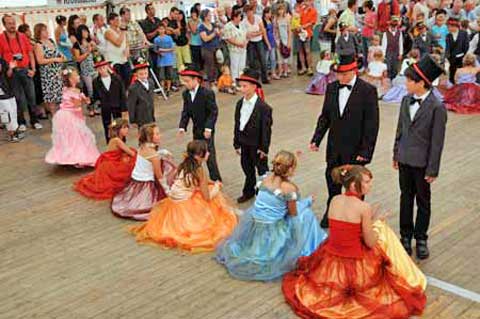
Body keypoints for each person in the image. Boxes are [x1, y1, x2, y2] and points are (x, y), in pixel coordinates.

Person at [283, 165, 427, 318]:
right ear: (353, 184)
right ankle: (407, 271)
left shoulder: (335, 200)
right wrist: (376, 224)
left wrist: (369, 221)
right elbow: (370, 242)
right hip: (354, 261)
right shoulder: (363, 207)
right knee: (384, 232)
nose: (369, 185)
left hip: (331, 256)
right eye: (366, 182)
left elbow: (344, 230)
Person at [217, 150, 327, 281]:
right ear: (290, 169)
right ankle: (310, 246)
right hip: (273, 230)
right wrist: (307, 201)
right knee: (306, 215)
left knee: (300, 209)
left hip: (256, 223)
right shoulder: (289, 188)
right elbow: (293, 213)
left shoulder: (265, 179)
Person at [309, 54, 379, 228]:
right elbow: (325, 116)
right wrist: (316, 139)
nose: (339, 77)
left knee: (355, 185)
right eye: (337, 74)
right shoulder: (332, 88)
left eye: (343, 74)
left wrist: (366, 151)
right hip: (335, 147)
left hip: (356, 148)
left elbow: (372, 124)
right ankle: (332, 210)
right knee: (332, 179)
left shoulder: (367, 91)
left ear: (354, 71)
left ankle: (356, 217)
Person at [129, 140, 237, 252]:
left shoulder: (187, 163)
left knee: (207, 188)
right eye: (207, 151)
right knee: (212, 195)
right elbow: (207, 197)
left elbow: (202, 180)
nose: (209, 153)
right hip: (185, 202)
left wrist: (211, 182)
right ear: (200, 155)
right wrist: (217, 187)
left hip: (174, 197)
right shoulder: (199, 170)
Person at [393, 54, 447, 259]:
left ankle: (421, 238)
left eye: (408, 80)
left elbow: (437, 141)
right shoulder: (406, 100)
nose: (405, 83)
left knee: (423, 201)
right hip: (405, 159)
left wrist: (433, 169)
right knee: (405, 198)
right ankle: (405, 236)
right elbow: (400, 129)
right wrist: (396, 153)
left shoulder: (437, 107)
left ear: (420, 83)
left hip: (423, 163)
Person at [112, 123, 175, 220]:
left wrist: (162, 152)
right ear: (150, 137)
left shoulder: (142, 146)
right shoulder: (154, 155)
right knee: (169, 167)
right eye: (157, 134)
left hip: (135, 180)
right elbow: (159, 176)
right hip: (146, 184)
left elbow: (147, 157)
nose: (160, 135)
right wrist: (167, 191)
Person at [45, 68, 100, 167]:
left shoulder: (66, 89)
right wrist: (84, 100)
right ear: (71, 79)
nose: (79, 77)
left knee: (69, 137)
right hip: (71, 116)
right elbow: (77, 106)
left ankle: (69, 156)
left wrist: (82, 98)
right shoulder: (75, 91)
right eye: (77, 76)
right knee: (76, 137)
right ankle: (77, 157)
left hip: (63, 115)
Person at [234, 68, 273, 203]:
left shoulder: (264, 108)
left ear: (254, 87)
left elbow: (266, 130)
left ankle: (267, 194)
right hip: (244, 142)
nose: (242, 89)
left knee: (262, 170)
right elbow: (237, 124)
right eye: (241, 86)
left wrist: (264, 148)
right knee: (247, 167)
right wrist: (236, 143)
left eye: (245, 86)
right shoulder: (240, 103)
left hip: (257, 145)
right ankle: (249, 190)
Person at [177, 65, 222, 182]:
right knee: (195, 154)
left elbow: (213, 112)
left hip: (207, 130)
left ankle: (216, 179)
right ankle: (196, 177)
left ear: (196, 80)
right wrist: (182, 126)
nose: (185, 84)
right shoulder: (186, 94)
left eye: (187, 81)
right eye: (183, 81)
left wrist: (209, 128)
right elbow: (186, 111)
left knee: (209, 156)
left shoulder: (207, 93)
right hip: (196, 129)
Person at [74, 119, 136, 200]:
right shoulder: (117, 140)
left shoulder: (116, 139)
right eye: (124, 128)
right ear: (118, 129)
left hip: (109, 163)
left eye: (127, 127)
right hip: (112, 165)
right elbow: (131, 153)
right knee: (133, 161)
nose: (127, 130)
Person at [0, 15, 41, 131]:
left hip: (25, 70)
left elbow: (30, 53)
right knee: (18, 99)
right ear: (4, 25)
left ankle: (34, 120)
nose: (12, 25)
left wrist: (33, 69)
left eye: (13, 23)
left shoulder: (22, 36)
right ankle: (21, 121)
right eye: (9, 23)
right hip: (12, 72)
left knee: (32, 97)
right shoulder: (1, 38)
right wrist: (7, 70)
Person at [92, 55, 128, 143]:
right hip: (105, 107)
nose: (102, 70)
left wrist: (124, 109)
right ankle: (110, 142)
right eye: (99, 68)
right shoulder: (96, 81)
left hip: (117, 105)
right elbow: (96, 95)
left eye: (104, 67)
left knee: (119, 125)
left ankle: (122, 141)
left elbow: (122, 95)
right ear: (97, 70)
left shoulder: (116, 78)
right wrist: (94, 103)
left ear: (108, 66)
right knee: (107, 125)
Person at [33, 23, 65, 115]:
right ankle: (55, 119)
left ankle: (62, 118)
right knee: (52, 99)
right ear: (39, 32)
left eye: (46, 29)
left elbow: (57, 52)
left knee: (61, 97)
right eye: (44, 30)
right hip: (48, 75)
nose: (46, 32)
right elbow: (40, 61)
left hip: (57, 72)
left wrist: (61, 56)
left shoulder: (51, 41)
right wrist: (54, 59)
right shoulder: (38, 45)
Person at [72, 24, 96, 117]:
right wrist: (87, 52)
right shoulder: (77, 44)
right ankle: (91, 108)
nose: (86, 33)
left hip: (93, 67)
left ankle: (95, 106)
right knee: (89, 89)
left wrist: (94, 48)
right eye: (84, 31)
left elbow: (96, 51)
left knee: (96, 88)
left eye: (87, 31)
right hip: (85, 70)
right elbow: (78, 59)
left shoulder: (90, 41)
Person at [243, 4, 270, 84]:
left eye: (250, 11)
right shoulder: (244, 21)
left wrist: (255, 34)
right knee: (251, 61)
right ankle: (253, 79)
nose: (249, 13)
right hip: (250, 42)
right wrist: (256, 33)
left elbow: (263, 30)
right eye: (247, 12)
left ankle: (264, 78)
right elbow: (247, 34)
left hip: (259, 41)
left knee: (262, 59)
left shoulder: (258, 18)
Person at [104, 13, 130, 89]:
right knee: (118, 81)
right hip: (114, 60)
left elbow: (127, 41)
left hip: (123, 58)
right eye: (117, 20)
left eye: (119, 20)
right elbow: (118, 43)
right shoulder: (108, 32)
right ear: (111, 21)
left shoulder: (121, 31)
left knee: (127, 78)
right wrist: (123, 31)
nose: (119, 21)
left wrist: (127, 49)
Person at [128, 57, 155, 128]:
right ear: (136, 74)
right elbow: (131, 105)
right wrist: (132, 120)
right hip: (140, 118)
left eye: (145, 73)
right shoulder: (133, 88)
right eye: (141, 74)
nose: (144, 76)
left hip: (150, 115)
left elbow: (151, 99)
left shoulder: (151, 82)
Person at [0, 57, 22, 142]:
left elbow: (8, 74)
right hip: (1, 91)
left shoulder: (2, 60)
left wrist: (11, 67)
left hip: (9, 88)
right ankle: (11, 134)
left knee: (13, 110)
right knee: (6, 112)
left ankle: (15, 131)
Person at [223, 10, 248, 84]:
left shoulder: (241, 25)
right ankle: (234, 81)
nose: (240, 18)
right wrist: (239, 44)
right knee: (235, 66)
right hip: (234, 49)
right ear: (235, 17)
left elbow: (245, 34)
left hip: (243, 49)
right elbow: (229, 38)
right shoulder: (228, 26)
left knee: (242, 66)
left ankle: (241, 81)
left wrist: (245, 42)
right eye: (239, 16)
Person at [199, 9, 221, 88]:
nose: (210, 16)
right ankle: (210, 82)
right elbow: (205, 39)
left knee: (217, 64)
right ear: (205, 17)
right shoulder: (201, 27)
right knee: (209, 65)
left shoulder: (213, 24)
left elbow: (219, 35)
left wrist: (218, 33)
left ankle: (215, 80)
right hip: (207, 49)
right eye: (209, 15)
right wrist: (214, 33)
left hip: (215, 47)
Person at [446, 17, 469, 84]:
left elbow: (466, 45)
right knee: (452, 73)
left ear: (455, 26)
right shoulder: (448, 35)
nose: (449, 28)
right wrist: (448, 57)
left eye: (450, 27)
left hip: (462, 57)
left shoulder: (464, 33)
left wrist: (464, 54)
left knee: (461, 73)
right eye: (448, 27)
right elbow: (448, 47)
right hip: (452, 58)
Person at [154, 24, 175, 96]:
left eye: (162, 29)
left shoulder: (169, 38)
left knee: (169, 75)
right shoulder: (156, 39)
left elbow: (172, 48)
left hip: (169, 59)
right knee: (161, 76)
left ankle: (168, 90)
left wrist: (163, 50)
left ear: (165, 30)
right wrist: (159, 51)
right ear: (158, 30)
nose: (161, 31)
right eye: (160, 29)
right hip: (161, 60)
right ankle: (162, 89)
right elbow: (155, 49)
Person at [297, 0, 317, 76]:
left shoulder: (313, 11)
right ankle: (303, 67)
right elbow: (297, 19)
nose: (306, 2)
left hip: (307, 34)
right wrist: (298, 26)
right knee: (300, 51)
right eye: (305, 1)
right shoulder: (300, 10)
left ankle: (309, 68)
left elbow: (312, 23)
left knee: (308, 51)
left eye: (308, 1)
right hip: (299, 33)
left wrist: (303, 26)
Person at [382, 16, 404, 80]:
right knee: (388, 67)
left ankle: (394, 80)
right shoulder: (385, 33)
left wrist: (400, 53)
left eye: (395, 26)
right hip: (388, 52)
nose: (394, 28)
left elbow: (400, 43)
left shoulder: (399, 33)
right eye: (392, 26)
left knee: (395, 67)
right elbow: (384, 45)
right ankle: (389, 80)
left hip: (396, 52)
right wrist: (383, 55)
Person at [275, 3, 292, 78]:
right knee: (279, 57)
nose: (280, 11)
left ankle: (285, 71)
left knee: (285, 56)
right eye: (279, 9)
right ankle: (280, 72)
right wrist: (277, 40)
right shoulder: (276, 19)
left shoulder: (287, 19)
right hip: (279, 40)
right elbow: (276, 30)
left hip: (286, 39)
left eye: (282, 9)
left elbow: (289, 31)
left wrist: (289, 42)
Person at [361, 0, 376, 68]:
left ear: (367, 7)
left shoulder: (373, 14)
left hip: (369, 35)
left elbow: (373, 25)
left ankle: (371, 67)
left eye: (364, 7)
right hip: (363, 34)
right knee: (364, 52)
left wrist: (365, 23)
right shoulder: (366, 14)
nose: (363, 8)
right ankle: (365, 67)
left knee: (370, 52)